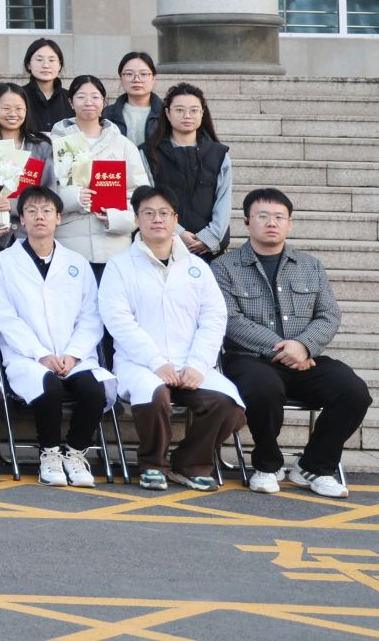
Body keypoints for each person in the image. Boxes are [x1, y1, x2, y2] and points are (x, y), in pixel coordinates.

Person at [215, 188, 369, 499]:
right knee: (262, 388)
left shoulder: (310, 266)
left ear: (290, 223)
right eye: (262, 216)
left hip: (305, 357)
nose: (271, 223)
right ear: (247, 222)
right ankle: (267, 465)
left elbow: (328, 315)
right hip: (249, 358)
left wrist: (303, 346)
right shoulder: (224, 267)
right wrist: (285, 349)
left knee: (353, 391)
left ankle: (314, 466)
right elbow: (230, 320)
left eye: (279, 217)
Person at [100, 184, 248, 491]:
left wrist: (197, 364)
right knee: (154, 395)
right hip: (141, 363)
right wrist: (156, 362)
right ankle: (153, 463)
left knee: (228, 405)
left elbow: (213, 318)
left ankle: (189, 463)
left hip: (189, 362)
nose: (157, 219)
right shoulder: (119, 266)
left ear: (175, 219)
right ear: (137, 219)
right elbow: (119, 321)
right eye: (148, 213)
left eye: (164, 213)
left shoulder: (197, 267)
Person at [0, 185, 111, 489]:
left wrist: (74, 353)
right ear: (21, 220)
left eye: (46, 211)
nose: (39, 217)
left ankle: (75, 452)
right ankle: (50, 454)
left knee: (94, 391)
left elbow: (91, 314)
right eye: (31, 211)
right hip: (27, 356)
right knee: (49, 387)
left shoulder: (77, 263)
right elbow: (4, 316)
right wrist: (39, 353)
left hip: (74, 356)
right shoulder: (3, 263)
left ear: (59, 218)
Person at [49, 75, 148, 266]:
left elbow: (140, 195)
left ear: (104, 102)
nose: (89, 102)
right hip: (69, 244)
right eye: (81, 97)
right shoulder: (55, 143)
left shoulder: (123, 145)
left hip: (114, 246)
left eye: (95, 97)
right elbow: (44, 190)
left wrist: (116, 218)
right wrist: (73, 197)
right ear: (71, 102)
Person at [0, 82, 57, 264]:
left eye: (19, 108)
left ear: (27, 110)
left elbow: (49, 192)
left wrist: (13, 205)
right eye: (6, 108)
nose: (13, 114)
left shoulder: (41, 147)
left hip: (31, 237)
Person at [145, 84, 232, 259]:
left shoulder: (219, 154)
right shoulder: (149, 153)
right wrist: (177, 233)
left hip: (207, 249)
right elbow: (146, 199)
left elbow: (224, 200)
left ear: (202, 113)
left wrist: (209, 238)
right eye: (179, 110)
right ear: (168, 113)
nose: (187, 116)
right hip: (161, 246)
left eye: (194, 110)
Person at [103, 51, 164, 147]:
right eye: (129, 74)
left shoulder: (166, 113)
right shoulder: (108, 114)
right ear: (121, 78)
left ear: (153, 78)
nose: (136, 79)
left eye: (143, 74)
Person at [21, 37, 72, 134]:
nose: (45, 65)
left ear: (59, 65)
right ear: (28, 65)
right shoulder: (18, 96)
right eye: (39, 60)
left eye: (51, 60)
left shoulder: (71, 98)